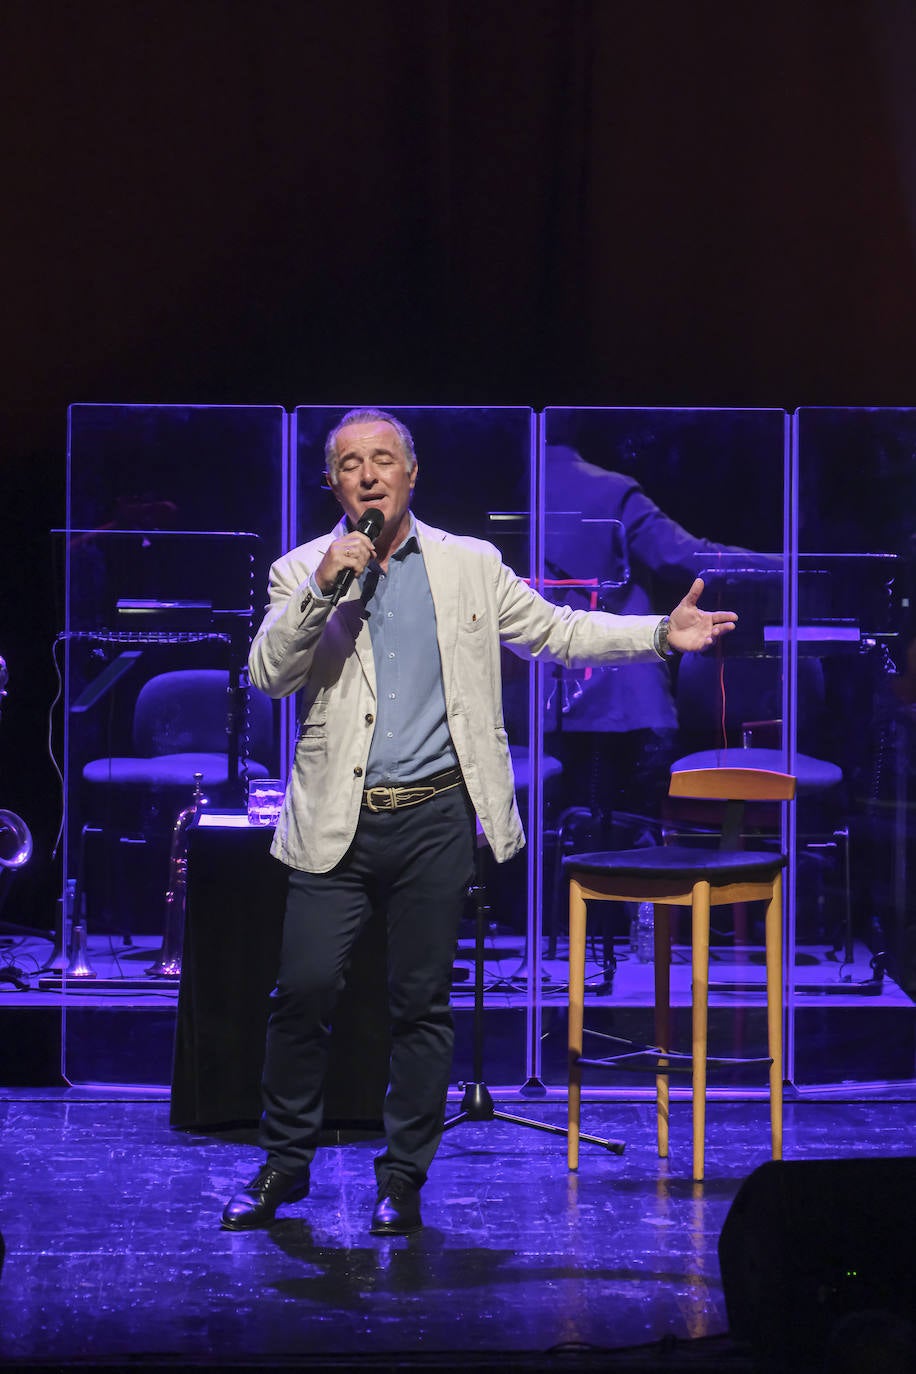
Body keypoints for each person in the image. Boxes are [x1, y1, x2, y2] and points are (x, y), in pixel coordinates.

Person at [221, 408, 737, 1236]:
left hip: (435, 816)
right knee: (304, 991)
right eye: (350, 464)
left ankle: (402, 1179)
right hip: (335, 820)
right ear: (332, 483)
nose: (367, 475)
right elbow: (268, 675)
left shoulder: (469, 564)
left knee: (421, 1003)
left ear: (411, 473)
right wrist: (324, 585)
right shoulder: (299, 570)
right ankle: (284, 1163)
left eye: (382, 459)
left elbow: (559, 632)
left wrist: (660, 636)